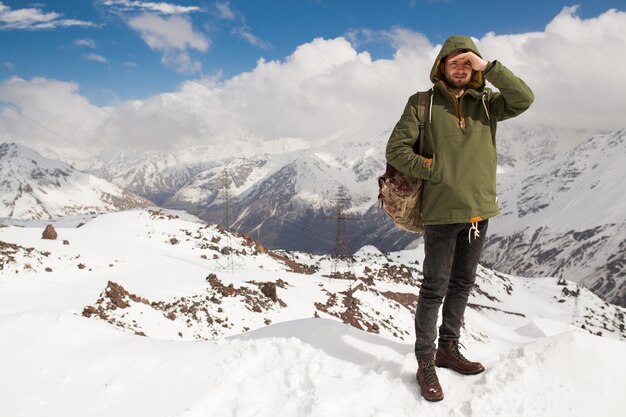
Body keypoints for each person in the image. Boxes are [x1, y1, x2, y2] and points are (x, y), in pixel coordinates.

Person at [385, 35, 534, 402]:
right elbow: (396, 149)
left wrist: (490, 69)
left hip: (479, 211)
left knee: (463, 284)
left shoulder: (488, 104)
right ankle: (425, 362)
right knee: (434, 287)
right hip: (440, 210)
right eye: (455, 62)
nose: (462, 68)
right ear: (441, 65)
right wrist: (432, 169)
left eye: (469, 62)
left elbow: (525, 99)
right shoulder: (422, 104)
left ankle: (448, 349)